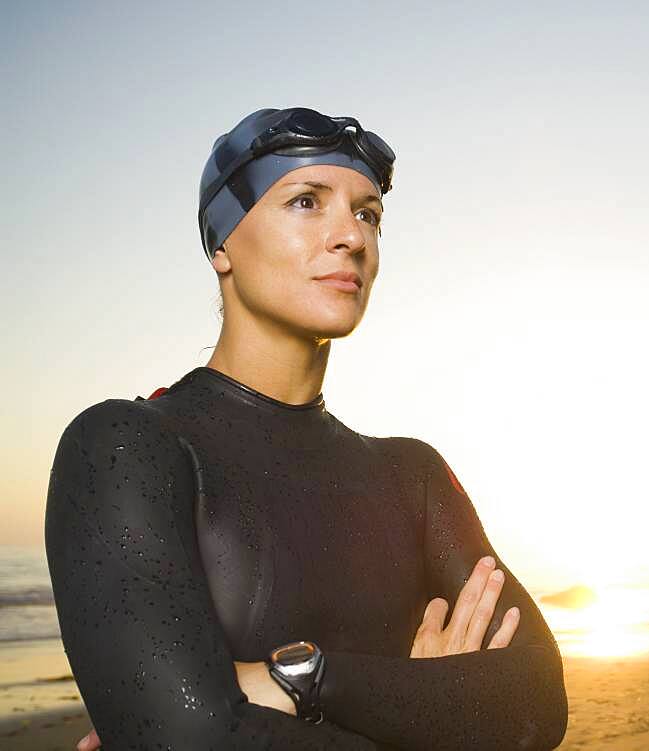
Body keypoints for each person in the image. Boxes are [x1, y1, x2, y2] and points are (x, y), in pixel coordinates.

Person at [45, 106, 569, 750]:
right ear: (222, 245)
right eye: (305, 202)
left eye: (367, 213)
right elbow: (187, 737)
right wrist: (419, 704)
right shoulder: (128, 447)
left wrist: (305, 680)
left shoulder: (413, 474)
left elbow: (536, 703)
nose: (351, 235)